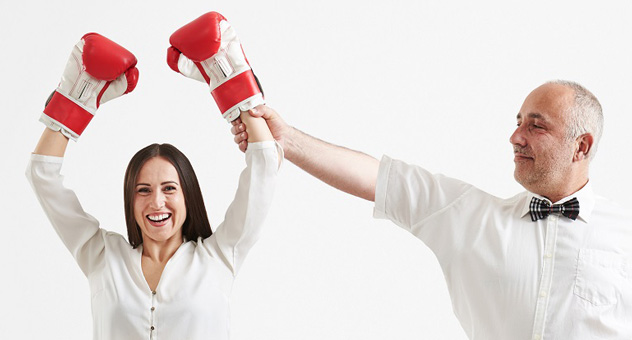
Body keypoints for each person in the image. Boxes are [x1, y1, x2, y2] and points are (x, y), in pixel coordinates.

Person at [232, 81, 632, 339]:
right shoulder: (471, 217)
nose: (515, 137)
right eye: (517, 123)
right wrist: (287, 139)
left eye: (536, 126)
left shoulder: (624, 236)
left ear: (581, 146)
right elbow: (377, 178)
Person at [27, 13, 280, 340]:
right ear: (130, 199)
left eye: (169, 188)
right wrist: (77, 98)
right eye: (143, 190)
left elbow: (264, 165)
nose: (156, 201)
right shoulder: (103, 257)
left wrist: (226, 73)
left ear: (188, 194)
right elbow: (42, 174)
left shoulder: (218, 257)